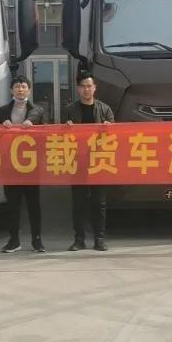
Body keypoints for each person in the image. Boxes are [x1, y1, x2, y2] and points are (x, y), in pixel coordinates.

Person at [0, 76, 47, 253]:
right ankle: (14, 240)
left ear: (29, 90)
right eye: (17, 87)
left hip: (31, 165)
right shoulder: (2, 111)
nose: (20, 90)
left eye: (24, 87)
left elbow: (46, 134)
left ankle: (37, 240)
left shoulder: (38, 110)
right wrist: (1, 126)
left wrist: (31, 124)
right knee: (13, 205)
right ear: (11, 90)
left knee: (34, 205)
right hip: (10, 165)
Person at [63, 70, 115, 252]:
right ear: (78, 89)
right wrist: (65, 129)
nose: (86, 89)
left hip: (99, 161)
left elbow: (115, 136)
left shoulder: (105, 109)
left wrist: (109, 128)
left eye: (89, 86)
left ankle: (99, 239)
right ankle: (79, 239)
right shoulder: (69, 110)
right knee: (78, 203)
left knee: (99, 203)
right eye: (83, 86)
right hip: (78, 162)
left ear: (95, 88)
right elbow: (59, 137)